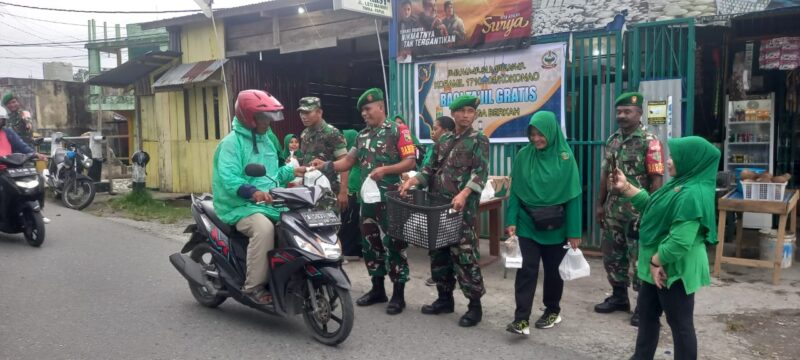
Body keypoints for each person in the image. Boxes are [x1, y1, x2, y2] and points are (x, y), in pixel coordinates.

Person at [609, 136, 719, 360]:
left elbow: (680, 241)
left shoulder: (692, 193)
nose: (668, 162)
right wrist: (627, 187)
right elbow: (653, 206)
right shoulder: (679, 184)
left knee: (680, 325)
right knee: (648, 316)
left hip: (673, 269)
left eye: (673, 157)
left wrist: (655, 262)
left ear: (691, 160)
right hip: (657, 266)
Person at [311, 88, 417, 315]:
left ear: (380, 107)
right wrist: (326, 165)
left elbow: (410, 161)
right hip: (368, 201)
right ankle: (377, 289)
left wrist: (386, 169)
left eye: (368, 109)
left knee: (395, 245)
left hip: (392, 199)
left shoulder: (398, 131)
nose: (364, 114)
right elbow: (347, 162)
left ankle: (399, 295)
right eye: (362, 111)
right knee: (370, 244)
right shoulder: (362, 136)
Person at [399, 94, 488, 327]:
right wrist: (412, 182)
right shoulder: (444, 140)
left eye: (470, 111)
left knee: (465, 256)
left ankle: (474, 306)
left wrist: (464, 193)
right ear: (454, 114)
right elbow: (428, 169)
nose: (466, 115)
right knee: (439, 254)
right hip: (437, 208)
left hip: (461, 212)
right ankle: (444, 299)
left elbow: (480, 173)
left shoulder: (479, 140)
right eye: (462, 111)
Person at [211, 89, 306, 305]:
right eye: (263, 117)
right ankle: (252, 287)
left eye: (270, 117)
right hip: (239, 205)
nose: (268, 122)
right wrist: (253, 192)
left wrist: (294, 171)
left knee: (297, 224)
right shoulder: (231, 143)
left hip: (269, 202)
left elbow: (272, 176)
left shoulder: (267, 139)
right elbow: (229, 178)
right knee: (264, 229)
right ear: (248, 117)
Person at [503, 111, 582, 335]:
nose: (536, 139)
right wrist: (511, 221)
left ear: (552, 132)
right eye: (532, 134)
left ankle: (552, 310)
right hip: (527, 222)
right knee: (526, 269)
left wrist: (574, 231)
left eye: (541, 134)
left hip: (556, 224)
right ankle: (521, 319)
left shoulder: (566, 158)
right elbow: (516, 191)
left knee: (553, 271)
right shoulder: (523, 156)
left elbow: (573, 196)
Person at [596, 92, 664, 327]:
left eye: (627, 112)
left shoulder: (650, 141)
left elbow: (656, 179)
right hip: (614, 209)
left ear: (639, 113)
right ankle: (619, 297)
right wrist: (600, 204)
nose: (622, 116)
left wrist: (652, 210)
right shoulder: (612, 140)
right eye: (619, 112)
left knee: (639, 259)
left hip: (638, 211)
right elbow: (605, 174)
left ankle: (643, 306)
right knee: (613, 255)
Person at [297, 97, 349, 212]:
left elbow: (345, 163)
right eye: (301, 112)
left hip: (329, 192)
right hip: (309, 192)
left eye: (307, 112)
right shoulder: (304, 134)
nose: (303, 116)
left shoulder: (332, 133)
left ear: (319, 112)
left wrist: (343, 191)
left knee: (329, 227)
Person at [421, 115, 455, 287]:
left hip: (453, 205)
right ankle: (442, 290)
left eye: (436, 129)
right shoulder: (434, 148)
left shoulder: (462, 145)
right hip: (435, 203)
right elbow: (426, 171)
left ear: (447, 130)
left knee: (455, 248)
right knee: (437, 246)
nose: (432, 132)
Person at [340, 129, 364, 260]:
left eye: (344, 138)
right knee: (350, 220)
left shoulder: (354, 154)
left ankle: (350, 250)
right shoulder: (348, 154)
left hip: (353, 189)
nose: (342, 141)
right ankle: (354, 249)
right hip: (352, 188)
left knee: (350, 221)